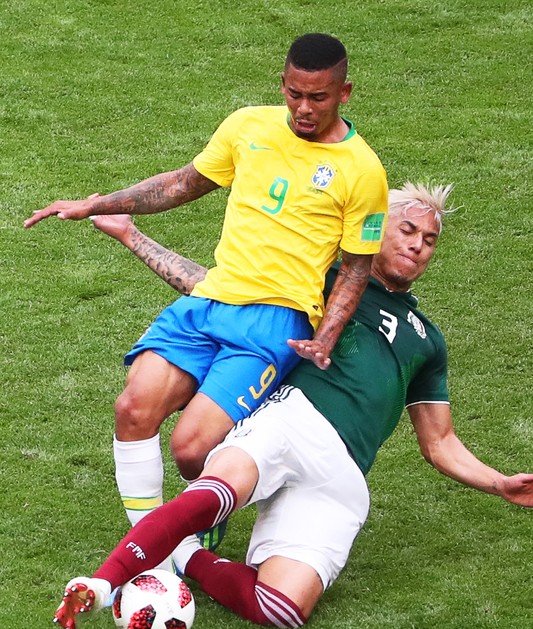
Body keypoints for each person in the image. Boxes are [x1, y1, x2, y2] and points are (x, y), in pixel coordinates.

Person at [54, 183, 533, 629]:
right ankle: (102, 583)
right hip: (290, 420)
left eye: (429, 240)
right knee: (209, 495)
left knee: (281, 608)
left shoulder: (428, 341)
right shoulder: (324, 282)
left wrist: (499, 483)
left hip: (344, 476)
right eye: (408, 231)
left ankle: (184, 555)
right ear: (376, 230)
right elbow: (216, 290)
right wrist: (132, 234)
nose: (418, 246)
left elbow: (439, 442)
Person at [24, 34, 388, 542]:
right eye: (294, 93)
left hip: (274, 320)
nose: (304, 108)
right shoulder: (247, 126)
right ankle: (158, 553)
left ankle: (208, 515)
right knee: (133, 409)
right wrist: (98, 204)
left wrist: (325, 337)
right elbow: (181, 183)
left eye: (319, 97)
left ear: (344, 92)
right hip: (207, 302)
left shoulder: (363, 170)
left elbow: (354, 268)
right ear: (282, 83)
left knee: (192, 450)